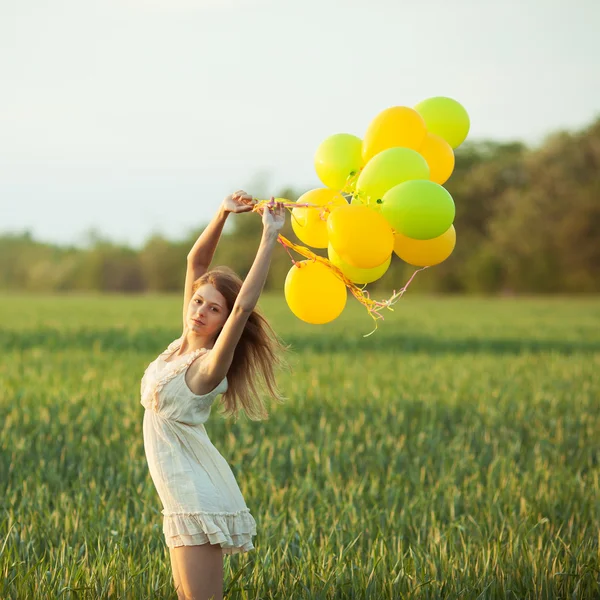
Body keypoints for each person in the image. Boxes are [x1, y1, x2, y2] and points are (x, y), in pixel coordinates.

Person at [140, 191, 290, 600]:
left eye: (213, 309)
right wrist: (223, 212)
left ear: (223, 321)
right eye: (198, 301)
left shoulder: (207, 367)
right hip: (176, 498)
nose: (200, 311)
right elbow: (196, 263)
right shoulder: (178, 348)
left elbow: (243, 308)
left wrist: (269, 237)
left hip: (194, 497)